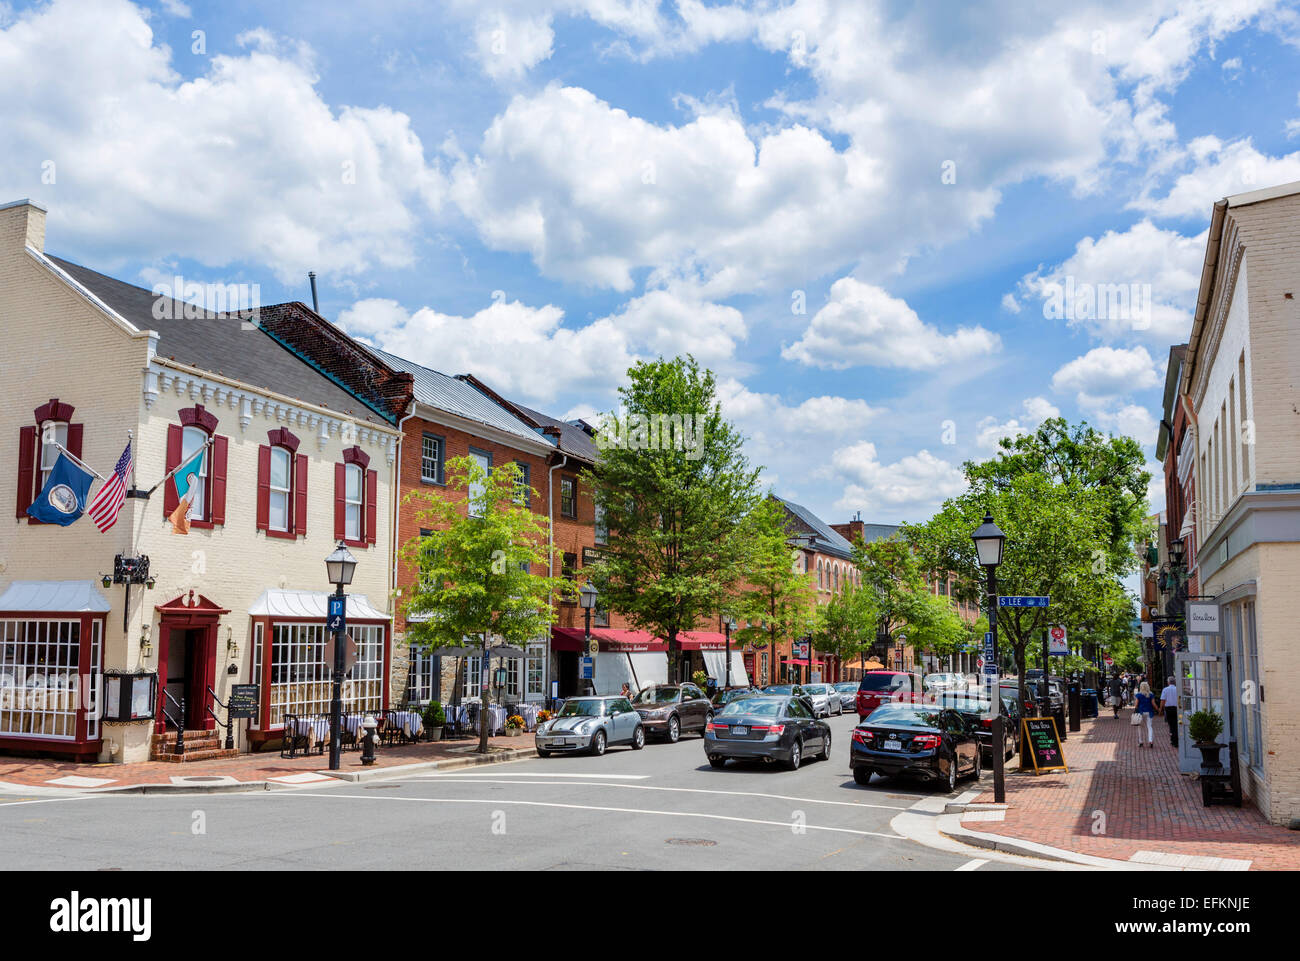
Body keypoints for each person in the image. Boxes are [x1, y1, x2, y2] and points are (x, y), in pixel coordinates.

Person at [1133, 681, 1157, 748]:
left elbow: (1136, 704)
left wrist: (1135, 709)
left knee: (1140, 727)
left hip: (1141, 712)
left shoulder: (1139, 695)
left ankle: (1140, 741)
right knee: (1149, 726)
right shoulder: (1151, 694)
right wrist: (1158, 709)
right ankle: (1150, 740)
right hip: (1149, 712)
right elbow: (1153, 703)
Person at [1160, 675, 1179, 748]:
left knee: (1171, 725)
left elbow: (1163, 700)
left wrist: (1160, 709)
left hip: (1168, 709)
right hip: (1177, 708)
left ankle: (1173, 740)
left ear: (1168, 682)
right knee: (1176, 724)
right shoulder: (1177, 689)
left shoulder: (1165, 689)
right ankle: (1175, 740)